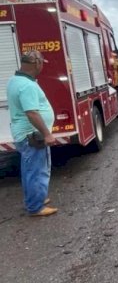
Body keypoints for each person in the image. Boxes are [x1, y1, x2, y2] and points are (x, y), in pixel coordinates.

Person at [7, 50, 58, 216]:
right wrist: (47, 134)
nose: (43, 66)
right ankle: (35, 207)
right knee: (36, 171)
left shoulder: (16, 80)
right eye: (42, 63)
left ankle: (37, 198)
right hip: (32, 136)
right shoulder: (27, 85)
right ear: (37, 64)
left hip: (28, 135)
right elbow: (32, 113)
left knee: (33, 169)